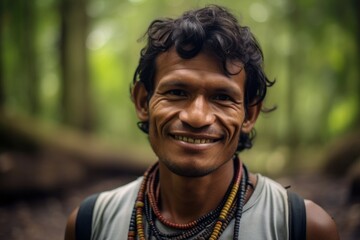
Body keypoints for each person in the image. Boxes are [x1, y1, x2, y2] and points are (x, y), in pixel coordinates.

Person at [65, 5, 339, 240]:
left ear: (250, 114)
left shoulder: (301, 227)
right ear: (142, 102)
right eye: (176, 92)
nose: (197, 117)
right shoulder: (90, 224)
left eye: (222, 97)